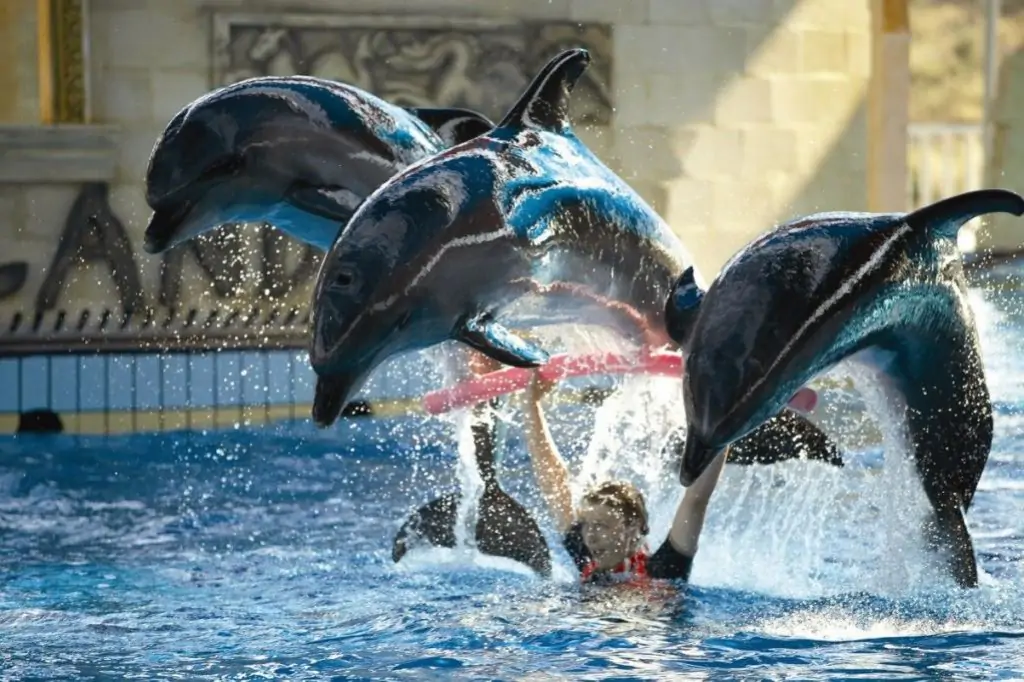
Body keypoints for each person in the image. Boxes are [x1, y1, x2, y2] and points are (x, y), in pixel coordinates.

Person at [522, 371, 728, 584]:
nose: (590, 536)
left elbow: (696, 499)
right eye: (586, 524)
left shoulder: (666, 569)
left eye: (602, 525)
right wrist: (531, 403)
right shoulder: (588, 556)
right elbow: (553, 482)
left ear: (633, 527)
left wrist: (725, 417)